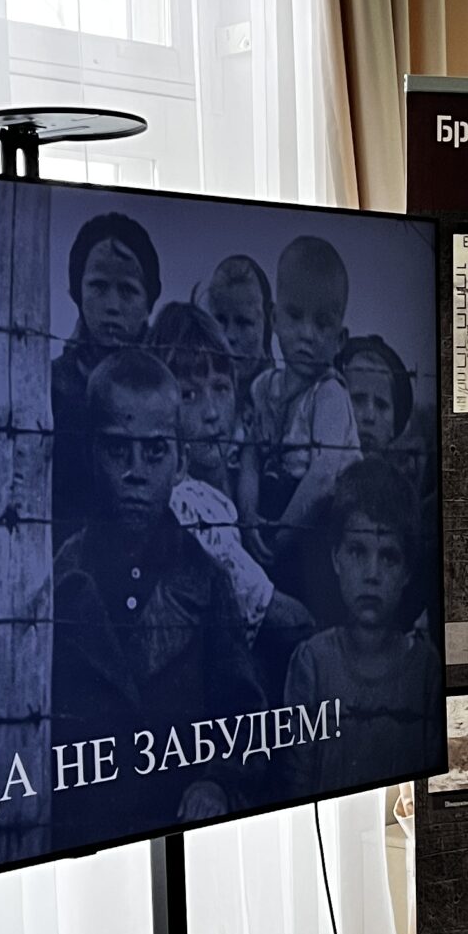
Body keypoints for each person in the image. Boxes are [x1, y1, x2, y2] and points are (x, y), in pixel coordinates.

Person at [50, 350, 263, 843]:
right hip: (82, 831)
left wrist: (216, 780)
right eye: (117, 451)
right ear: (92, 454)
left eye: (154, 452)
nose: (136, 472)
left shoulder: (207, 580)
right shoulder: (61, 576)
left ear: (181, 461)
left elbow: (243, 714)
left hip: (178, 824)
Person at [148, 301, 312, 692]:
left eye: (221, 388)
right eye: (189, 395)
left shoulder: (243, 477)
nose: (211, 413)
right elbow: (284, 619)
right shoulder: (184, 502)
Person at [283, 458, 440, 796]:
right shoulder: (312, 663)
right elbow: (295, 783)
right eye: (357, 551)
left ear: (407, 571)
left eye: (389, 557)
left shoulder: (427, 669)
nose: (372, 574)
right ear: (336, 558)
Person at [240, 235, 360, 607]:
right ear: (274, 318)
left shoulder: (329, 395)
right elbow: (250, 455)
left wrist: (277, 539)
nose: (307, 334)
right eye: (295, 316)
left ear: (340, 339)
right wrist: (248, 516)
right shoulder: (264, 387)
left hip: (318, 529)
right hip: (273, 514)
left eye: (322, 323)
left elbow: (322, 479)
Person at [51, 210, 161, 543]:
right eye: (98, 286)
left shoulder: (169, 390)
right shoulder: (51, 387)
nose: (112, 305)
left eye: (128, 290)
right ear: (77, 292)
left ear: (149, 302)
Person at [198, 253, 274, 409]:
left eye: (243, 322)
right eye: (220, 320)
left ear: (269, 322)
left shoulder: (280, 403)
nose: (229, 336)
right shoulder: (195, 398)